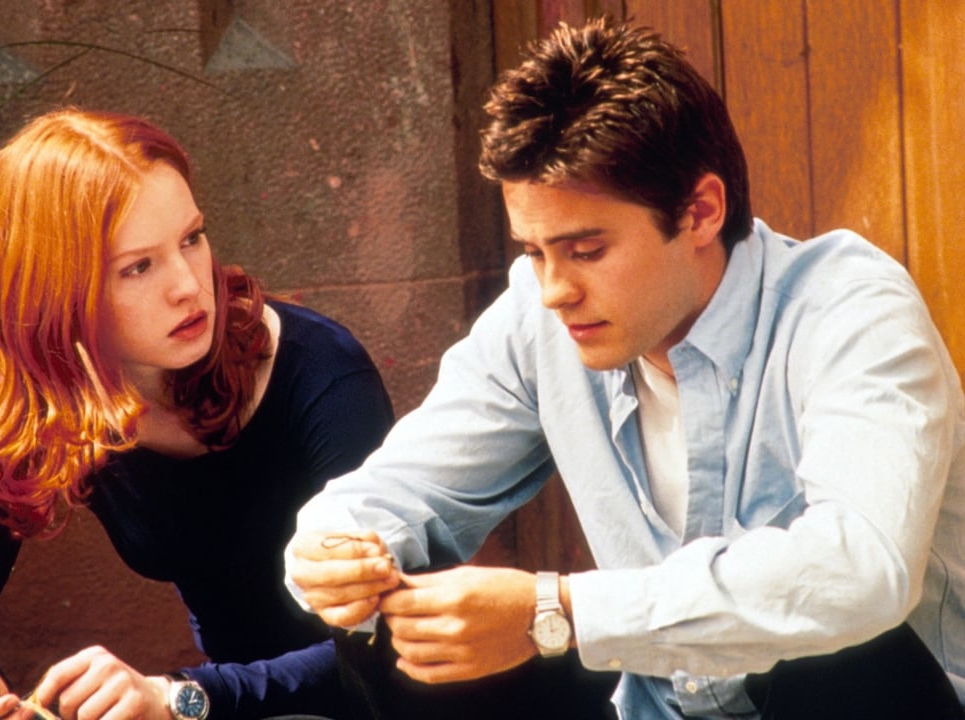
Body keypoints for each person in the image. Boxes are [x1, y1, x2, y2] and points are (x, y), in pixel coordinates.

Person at [286, 18, 965, 720]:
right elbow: (396, 490)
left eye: (586, 250)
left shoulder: (848, 308)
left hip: (882, 701)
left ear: (701, 211)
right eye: (535, 252)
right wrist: (339, 551)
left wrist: (556, 611)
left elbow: (862, 572)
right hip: (659, 706)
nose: (555, 289)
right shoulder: (538, 319)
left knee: (836, 656)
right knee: (400, 633)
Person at [0, 108, 395, 720]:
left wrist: (176, 697)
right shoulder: (47, 404)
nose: (188, 285)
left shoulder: (320, 372)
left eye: (192, 238)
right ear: (58, 293)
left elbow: (386, 643)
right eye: (138, 266)